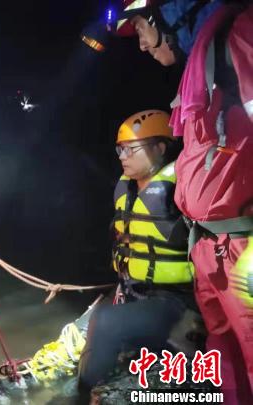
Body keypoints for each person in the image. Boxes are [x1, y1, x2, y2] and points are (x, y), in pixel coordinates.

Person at [114, 0, 253, 401]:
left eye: (141, 28)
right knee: (225, 361)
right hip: (208, 248)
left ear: (171, 15)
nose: (142, 44)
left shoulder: (239, 36)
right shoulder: (199, 69)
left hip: (242, 245)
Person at [77, 110, 196, 390]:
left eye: (131, 149)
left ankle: (84, 394)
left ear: (160, 148)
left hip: (174, 301)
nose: (122, 156)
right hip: (133, 291)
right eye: (120, 149)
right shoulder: (127, 189)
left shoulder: (182, 189)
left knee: (105, 321)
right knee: (79, 329)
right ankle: (31, 381)